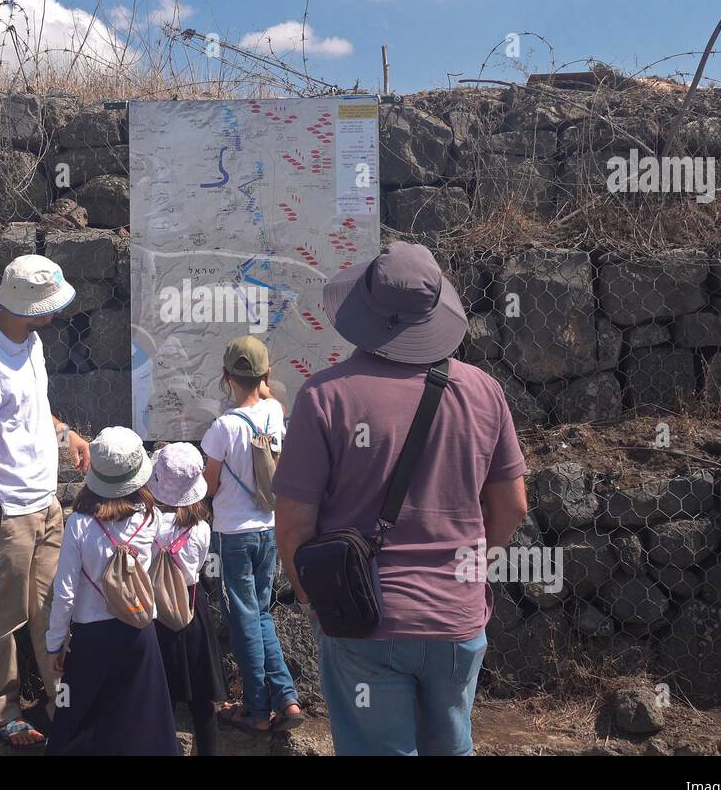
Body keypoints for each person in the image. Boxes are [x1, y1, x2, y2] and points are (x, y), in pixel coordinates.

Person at [273, 241, 529, 756]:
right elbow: (513, 506)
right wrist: (474, 564)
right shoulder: (484, 392)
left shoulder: (325, 397)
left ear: (363, 312)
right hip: (456, 618)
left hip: (364, 618)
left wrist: (311, 596)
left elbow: (294, 523)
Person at [0, 254, 91, 751]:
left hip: (48, 503)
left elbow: (33, 408)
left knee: (52, 611)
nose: (55, 314)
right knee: (2, 617)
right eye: (48, 305)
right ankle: (3, 712)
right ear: (27, 305)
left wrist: (66, 432)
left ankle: (61, 704)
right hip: (9, 513)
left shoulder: (30, 342)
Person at [45, 427, 179, 756]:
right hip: (139, 630)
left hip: (91, 636)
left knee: (80, 722)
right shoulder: (151, 518)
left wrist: (55, 644)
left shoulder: (78, 523)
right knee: (142, 722)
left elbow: (64, 592)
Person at [200, 335, 303, 733]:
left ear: (226, 376)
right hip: (268, 529)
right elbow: (269, 395)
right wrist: (264, 384)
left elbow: (209, 487)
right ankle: (288, 699)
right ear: (266, 375)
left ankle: (258, 710)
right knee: (259, 614)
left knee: (243, 619)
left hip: (232, 534)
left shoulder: (222, 428)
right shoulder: (275, 411)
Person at [147, 442, 228, 756]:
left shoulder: (145, 525)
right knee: (201, 699)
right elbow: (199, 564)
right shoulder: (202, 529)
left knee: (159, 695)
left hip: (154, 614)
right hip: (192, 611)